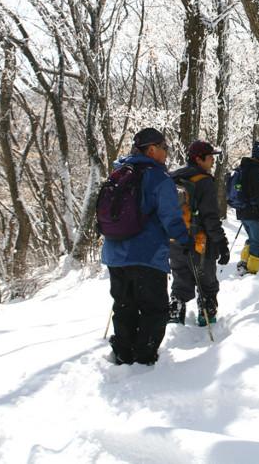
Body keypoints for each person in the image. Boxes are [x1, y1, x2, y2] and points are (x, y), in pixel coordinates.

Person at [101, 127, 190, 366]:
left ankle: (123, 353)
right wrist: (185, 239)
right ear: (152, 148)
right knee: (154, 308)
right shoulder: (158, 178)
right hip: (147, 254)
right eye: (165, 148)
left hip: (114, 254)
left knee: (123, 305)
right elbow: (171, 218)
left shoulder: (119, 173)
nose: (167, 153)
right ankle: (144, 357)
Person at [169, 139, 231, 327]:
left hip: (174, 240)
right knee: (207, 283)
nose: (213, 161)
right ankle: (207, 318)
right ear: (198, 159)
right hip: (200, 243)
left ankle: (174, 318)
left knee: (180, 282)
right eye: (210, 157)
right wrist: (222, 243)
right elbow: (211, 218)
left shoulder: (172, 177)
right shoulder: (204, 181)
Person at [235, 141, 259, 276]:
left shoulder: (243, 168)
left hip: (242, 212)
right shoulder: (257, 170)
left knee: (252, 240)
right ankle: (251, 271)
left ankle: (244, 262)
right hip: (254, 213)